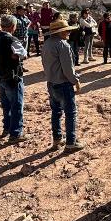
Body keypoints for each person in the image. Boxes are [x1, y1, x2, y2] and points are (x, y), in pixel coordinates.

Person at [41, 19, 85, 150]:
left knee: (56, 112)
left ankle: (57, 139)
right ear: (60, 32)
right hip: (63, 84)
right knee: (70, 113)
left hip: (51, 83)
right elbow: (68, 70)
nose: (68, 32)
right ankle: (71, 142)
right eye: (66, 30)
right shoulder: (63, 45)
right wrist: (75, 81)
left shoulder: (47, 43)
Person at [0, 15, 27, 143]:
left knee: (6, 105)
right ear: (13, 26)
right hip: (12, 77)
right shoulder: (12, 39)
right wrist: (15, 56)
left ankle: (7, 128)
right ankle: (16, 133)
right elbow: (24, 54)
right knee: (16, 105)